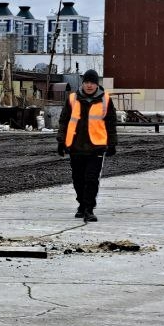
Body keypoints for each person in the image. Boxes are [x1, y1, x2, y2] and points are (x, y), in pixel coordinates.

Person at [56, 69, 117, 222]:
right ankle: (82, 205)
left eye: (92, 83)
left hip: (96, 147)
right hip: (75, 147)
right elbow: (64, 121)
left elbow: (111, 124)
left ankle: (89, 209)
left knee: (91, 179)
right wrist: (61, 142)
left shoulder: (106, 100)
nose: (89, 85)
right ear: (83, 84)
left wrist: (112, 144)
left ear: (97, 84)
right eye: (87, 82)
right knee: (78, 179)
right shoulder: (72, 99)